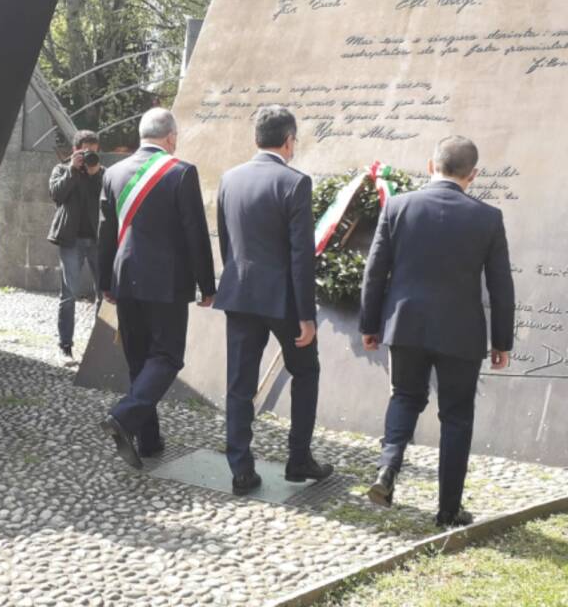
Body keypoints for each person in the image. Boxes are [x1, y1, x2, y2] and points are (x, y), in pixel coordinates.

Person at [360, 135, 514, 527]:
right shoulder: (488, 218)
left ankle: (387, 469)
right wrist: (502, 342)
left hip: (406, 325)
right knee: (457, 417)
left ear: (431, 166)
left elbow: (375, 273)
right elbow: (501, 286)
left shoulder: (398, 206)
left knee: (406, 397)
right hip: (462, 334)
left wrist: (370, 324)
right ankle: (448, 510)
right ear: (473, 175)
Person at [215, 105, 332, 496]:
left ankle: (240, 470)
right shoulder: (295, 183)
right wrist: (306, 314)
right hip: (283, 301)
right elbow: (301, 255)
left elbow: (227, 241)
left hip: (239, 292)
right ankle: (298, 460)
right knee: (306, 373)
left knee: (239, 383)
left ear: (256, 139)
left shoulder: (230, 178)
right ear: (288, 140)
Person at [96, 108, 216, 468]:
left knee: (139, 359)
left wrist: (105, 281)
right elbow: (195, 233)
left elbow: (106, 233)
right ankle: (125, 416)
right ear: (171, 138)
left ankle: (149, 440)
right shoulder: (180, 172)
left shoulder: (113, 172)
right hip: (167, 282)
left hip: (125, 277)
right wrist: (207, 285)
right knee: (166, 357)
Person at [48, 130, 104, 361]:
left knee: (104, 293)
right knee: (69, 293)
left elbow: (110, 199)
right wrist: (72, 170)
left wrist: (94, 175)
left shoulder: (102, 173)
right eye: (86, 150)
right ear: (75, 150)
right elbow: (56, 195)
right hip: (71, 240)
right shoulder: (61, 170)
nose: (90, 154)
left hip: (98, 240)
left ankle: (98, 348)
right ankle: (65, 346)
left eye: (94, 150)